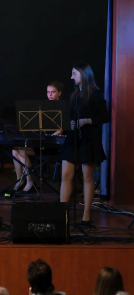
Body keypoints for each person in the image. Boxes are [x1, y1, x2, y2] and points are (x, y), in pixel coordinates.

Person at [59, 62, 110, 225]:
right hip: (73, 137)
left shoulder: (95, 94)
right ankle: (62, 214)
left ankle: (86, 214)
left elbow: (105, 117)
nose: (71, 77)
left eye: (74, 73)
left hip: (89, 138)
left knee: (88, 177)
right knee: (66, 175)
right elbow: (70, 115)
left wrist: (86, 121)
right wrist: (70, 123)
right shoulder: (74, 94)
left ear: (84, 74)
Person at [10, 81, 64, 195]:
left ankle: (30, 181)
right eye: (48, 92)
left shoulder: (62, 108)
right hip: (42, 141)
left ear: (59, 93)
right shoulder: (44, 107)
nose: (50, 95)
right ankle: (20, 180)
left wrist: (48, 138)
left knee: (22, 151)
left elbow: (60, 131)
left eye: (53, 92)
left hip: (53, 144)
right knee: (15, 150)